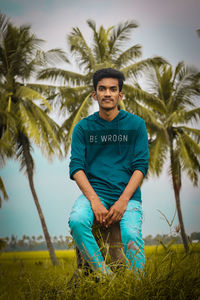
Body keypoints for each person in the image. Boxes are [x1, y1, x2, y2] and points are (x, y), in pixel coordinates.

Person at [68, 68, 149, 275]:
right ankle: (106, 277)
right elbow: (76, 168)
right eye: (102, 89)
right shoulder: (83, 128)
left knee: (131, 234)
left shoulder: (136, 125)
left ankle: (139, 285)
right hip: (95, 195)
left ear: (120, 95)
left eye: (113, 89)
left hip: (128, 197)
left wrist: (123, 201)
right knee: (77, 221)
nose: (107, 93)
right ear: (95, 95)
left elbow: (140, 167)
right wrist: (95, 201)